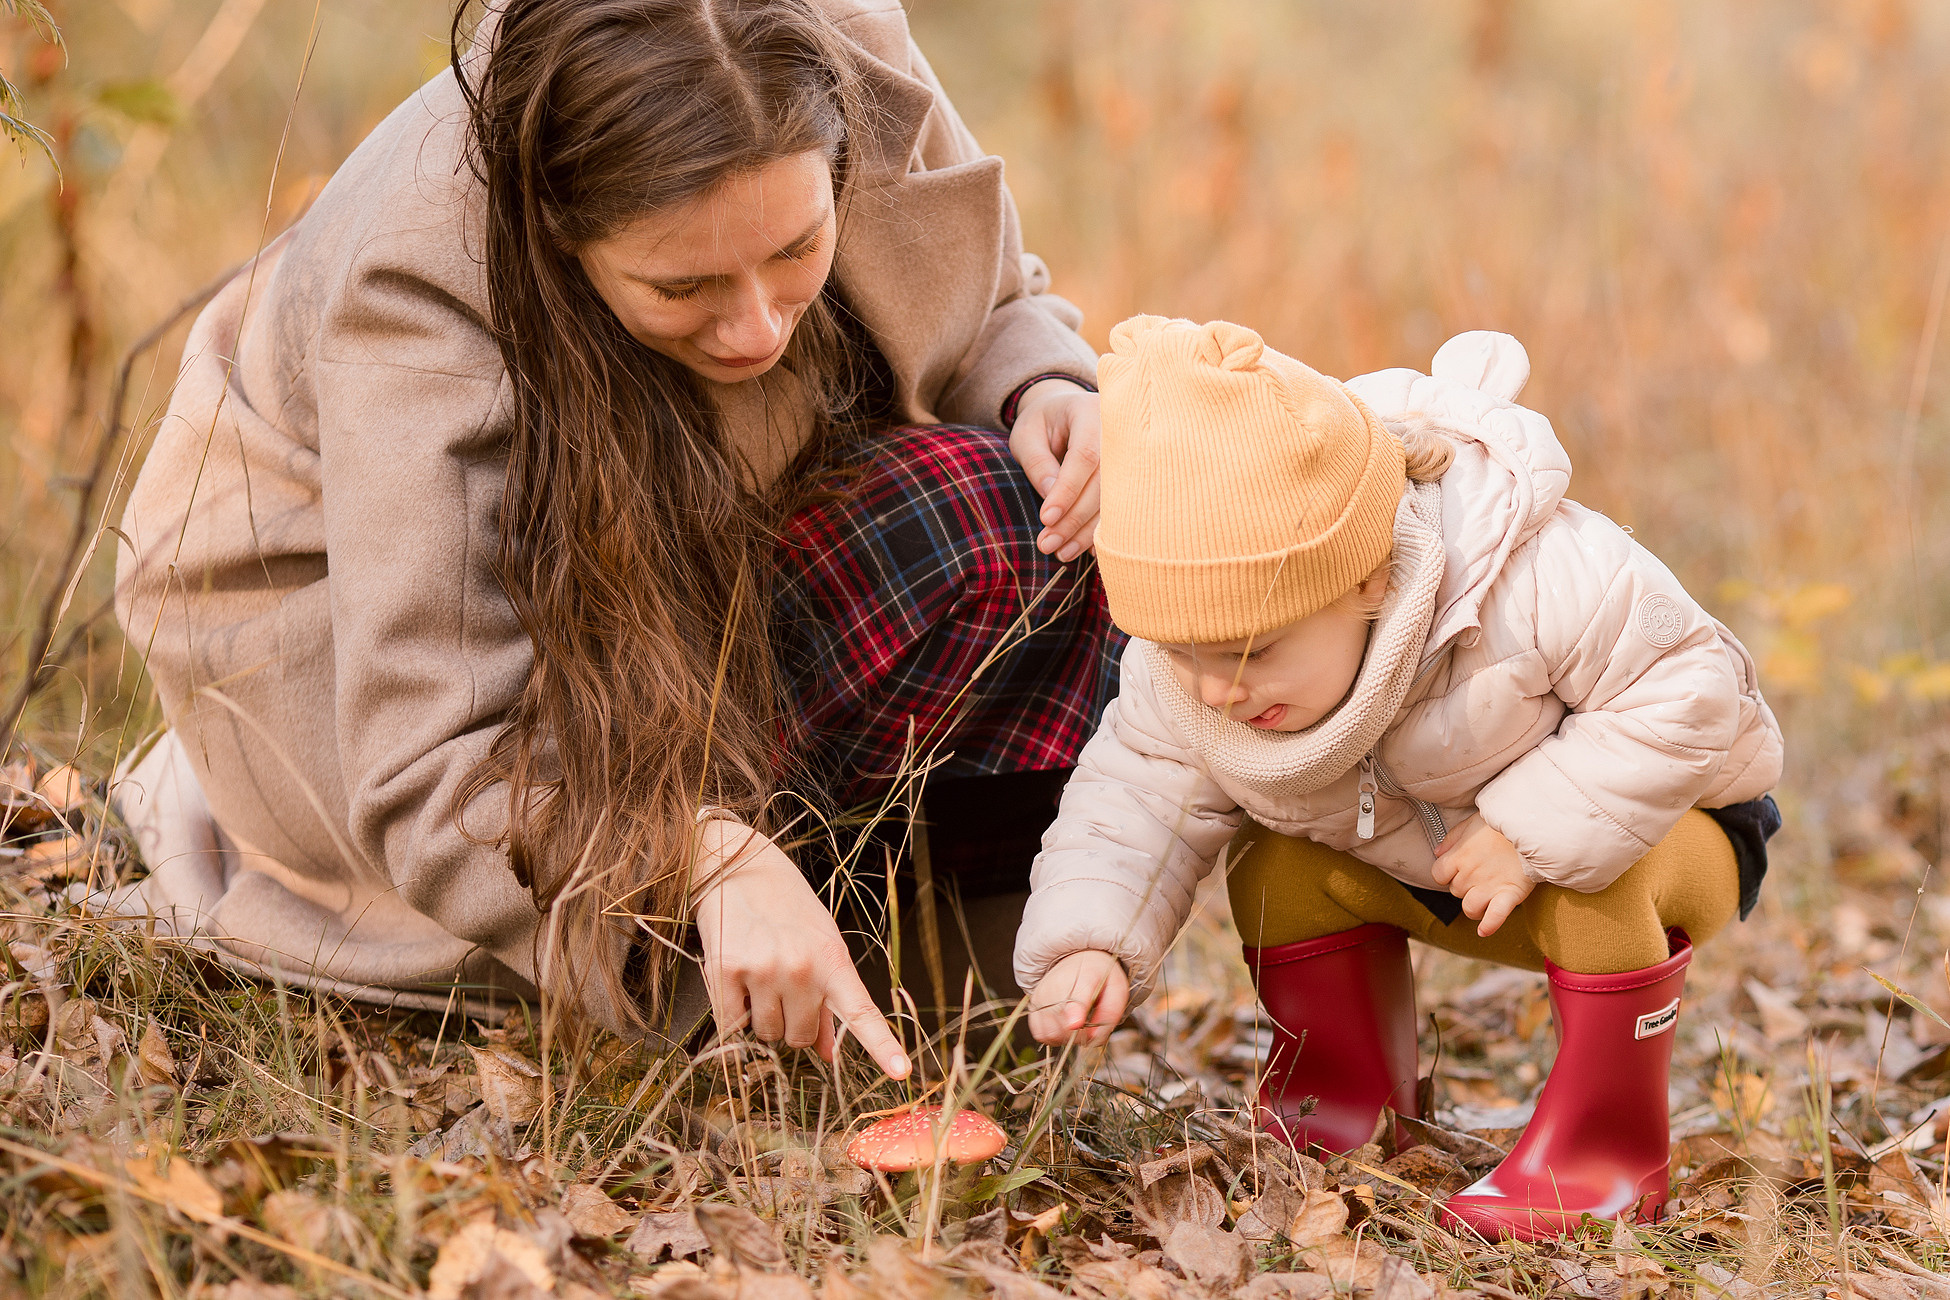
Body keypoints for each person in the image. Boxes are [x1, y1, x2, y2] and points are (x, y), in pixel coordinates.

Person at [111, 0, 1123, 1075]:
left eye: (797, 249)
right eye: (684, 284)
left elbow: (996, 295)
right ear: (564, 234)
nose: (759, 328)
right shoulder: (417, 281)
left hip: (717, 542)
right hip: (401, 678)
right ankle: (729, 943)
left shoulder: (841, 52)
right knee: (939, 543)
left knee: (1026, 530)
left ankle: (936, 993)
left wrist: (1046, 388)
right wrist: (695, 854)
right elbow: (434, 763)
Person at [1013, 318, 1783, 1239]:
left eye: (1254, 651)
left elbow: (1692, 688)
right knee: (1275, 866)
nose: (1217, 689)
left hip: (1662, 825)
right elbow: (1138, 793)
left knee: (1599, 876)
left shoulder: (1529, 579)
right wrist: (1090, 942)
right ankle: (1343, 1107)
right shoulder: (1198, 676)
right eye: (1183, 654)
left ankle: (1599, 1157)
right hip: (1431, 862)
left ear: (1370, 579)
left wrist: (1528, 829)